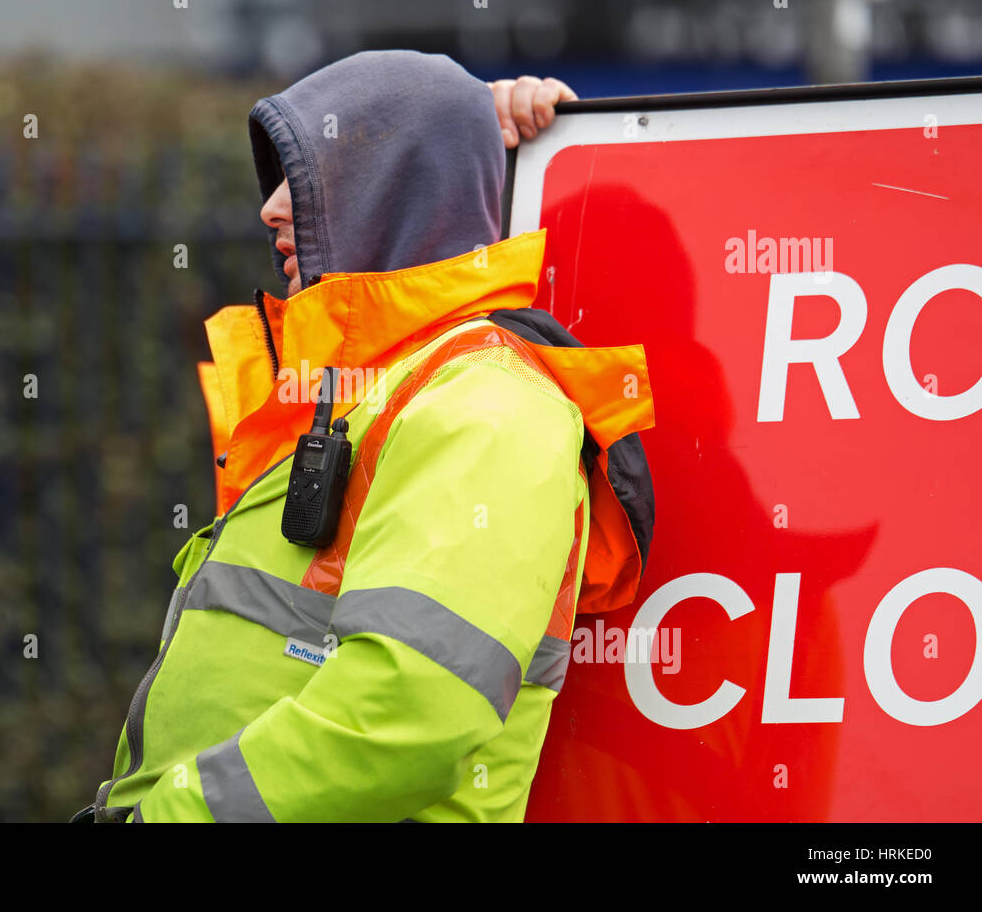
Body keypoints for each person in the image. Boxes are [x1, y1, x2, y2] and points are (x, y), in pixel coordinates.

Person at [79, 51, 654, 822]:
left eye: (313, 174)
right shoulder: (373, 393)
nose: (272, 208)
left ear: (397, 191)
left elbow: (408, 714)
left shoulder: (488, 404)